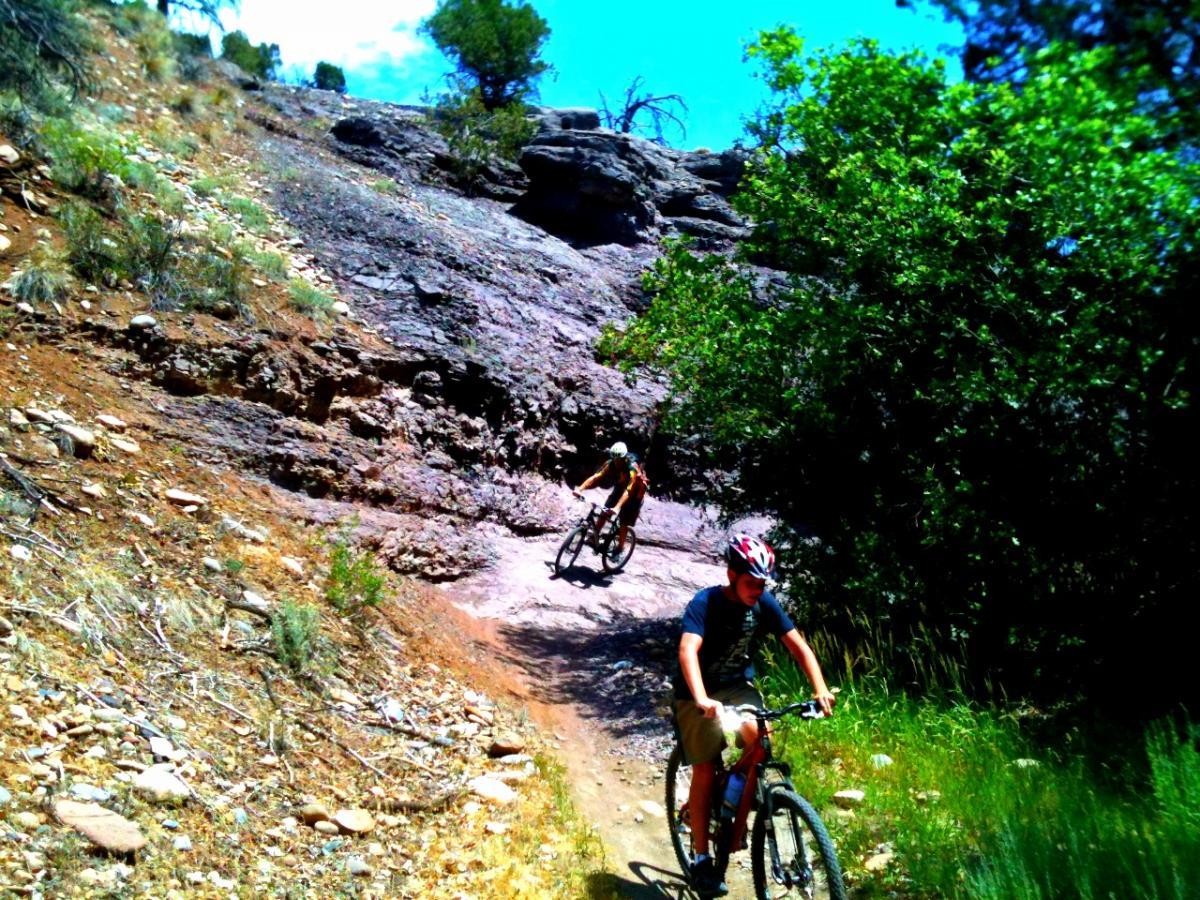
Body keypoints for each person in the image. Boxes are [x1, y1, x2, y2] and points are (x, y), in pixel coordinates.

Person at [673, 533, 836, 896]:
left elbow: (799, 647)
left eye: (763, 584)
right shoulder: (706, 602)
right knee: (704, 765)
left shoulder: (764, 603)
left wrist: (820, 688)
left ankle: (731, 800)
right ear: (732, 574)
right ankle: (701, 859)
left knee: (761, 740)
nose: (757, 590)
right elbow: (688, 651)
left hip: (736, 686)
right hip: (696, 691)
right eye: (751, 582)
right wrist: (700, 697)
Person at [572, 441, 648, 560]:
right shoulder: (611, 463)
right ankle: (594, 538)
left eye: (619, 460)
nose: (617, 462)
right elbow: (596, 476)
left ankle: (619, 549)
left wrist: (617, 507)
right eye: (615, 459)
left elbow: (629, 490)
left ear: (624, 458)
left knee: (623, 523)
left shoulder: (632, 468)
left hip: (634, 494)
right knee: (604, 511)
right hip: (620, 488)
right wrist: (580, 489)